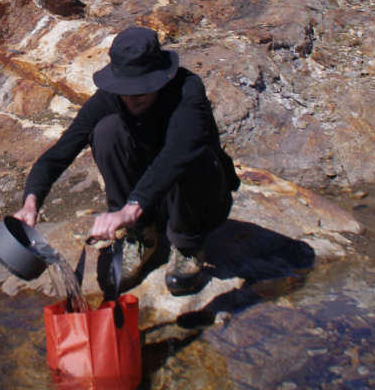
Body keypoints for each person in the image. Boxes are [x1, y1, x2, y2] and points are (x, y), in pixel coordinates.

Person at [14, 26, 239, 295]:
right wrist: (31, 202)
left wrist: (131, 206)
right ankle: (141, 235)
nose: (132, 98)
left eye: (142, 89)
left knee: (194, 155)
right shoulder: (110, 99)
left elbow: (178, 153)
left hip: (198, 197)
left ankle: (188, 243)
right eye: (126, 90)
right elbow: (59, 153)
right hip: (146, 203)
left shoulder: (187, 91)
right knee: (106, 132)